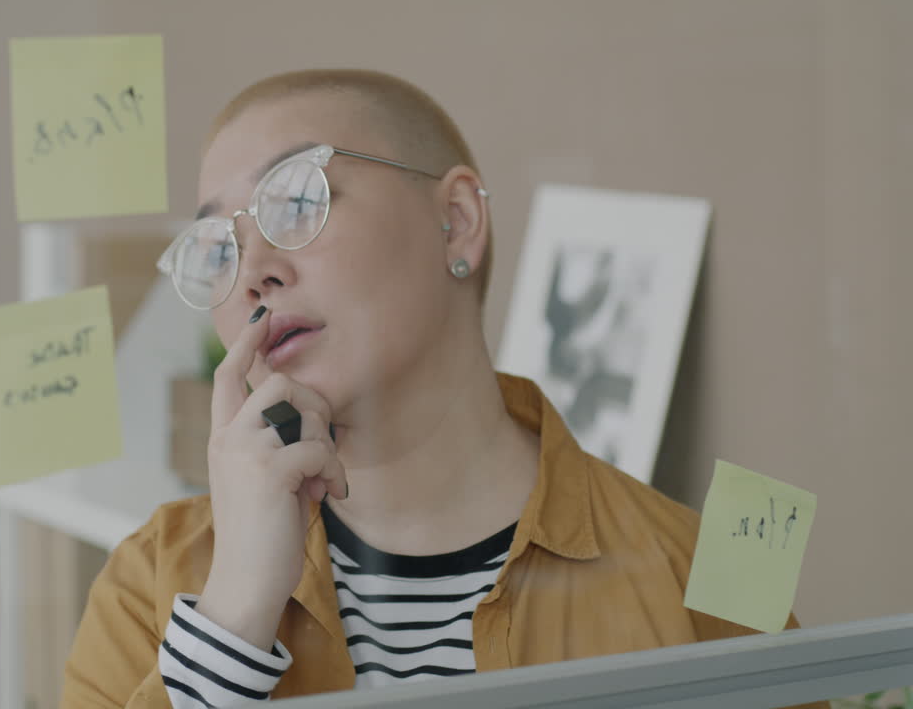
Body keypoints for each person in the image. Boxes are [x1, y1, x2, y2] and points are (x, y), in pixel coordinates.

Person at [59, 69, 825, 709]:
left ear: (456, 222)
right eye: (218, 245)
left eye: (297, 202)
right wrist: (233, 618)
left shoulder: (700, 584)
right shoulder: (154, 585)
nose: (254, 267)